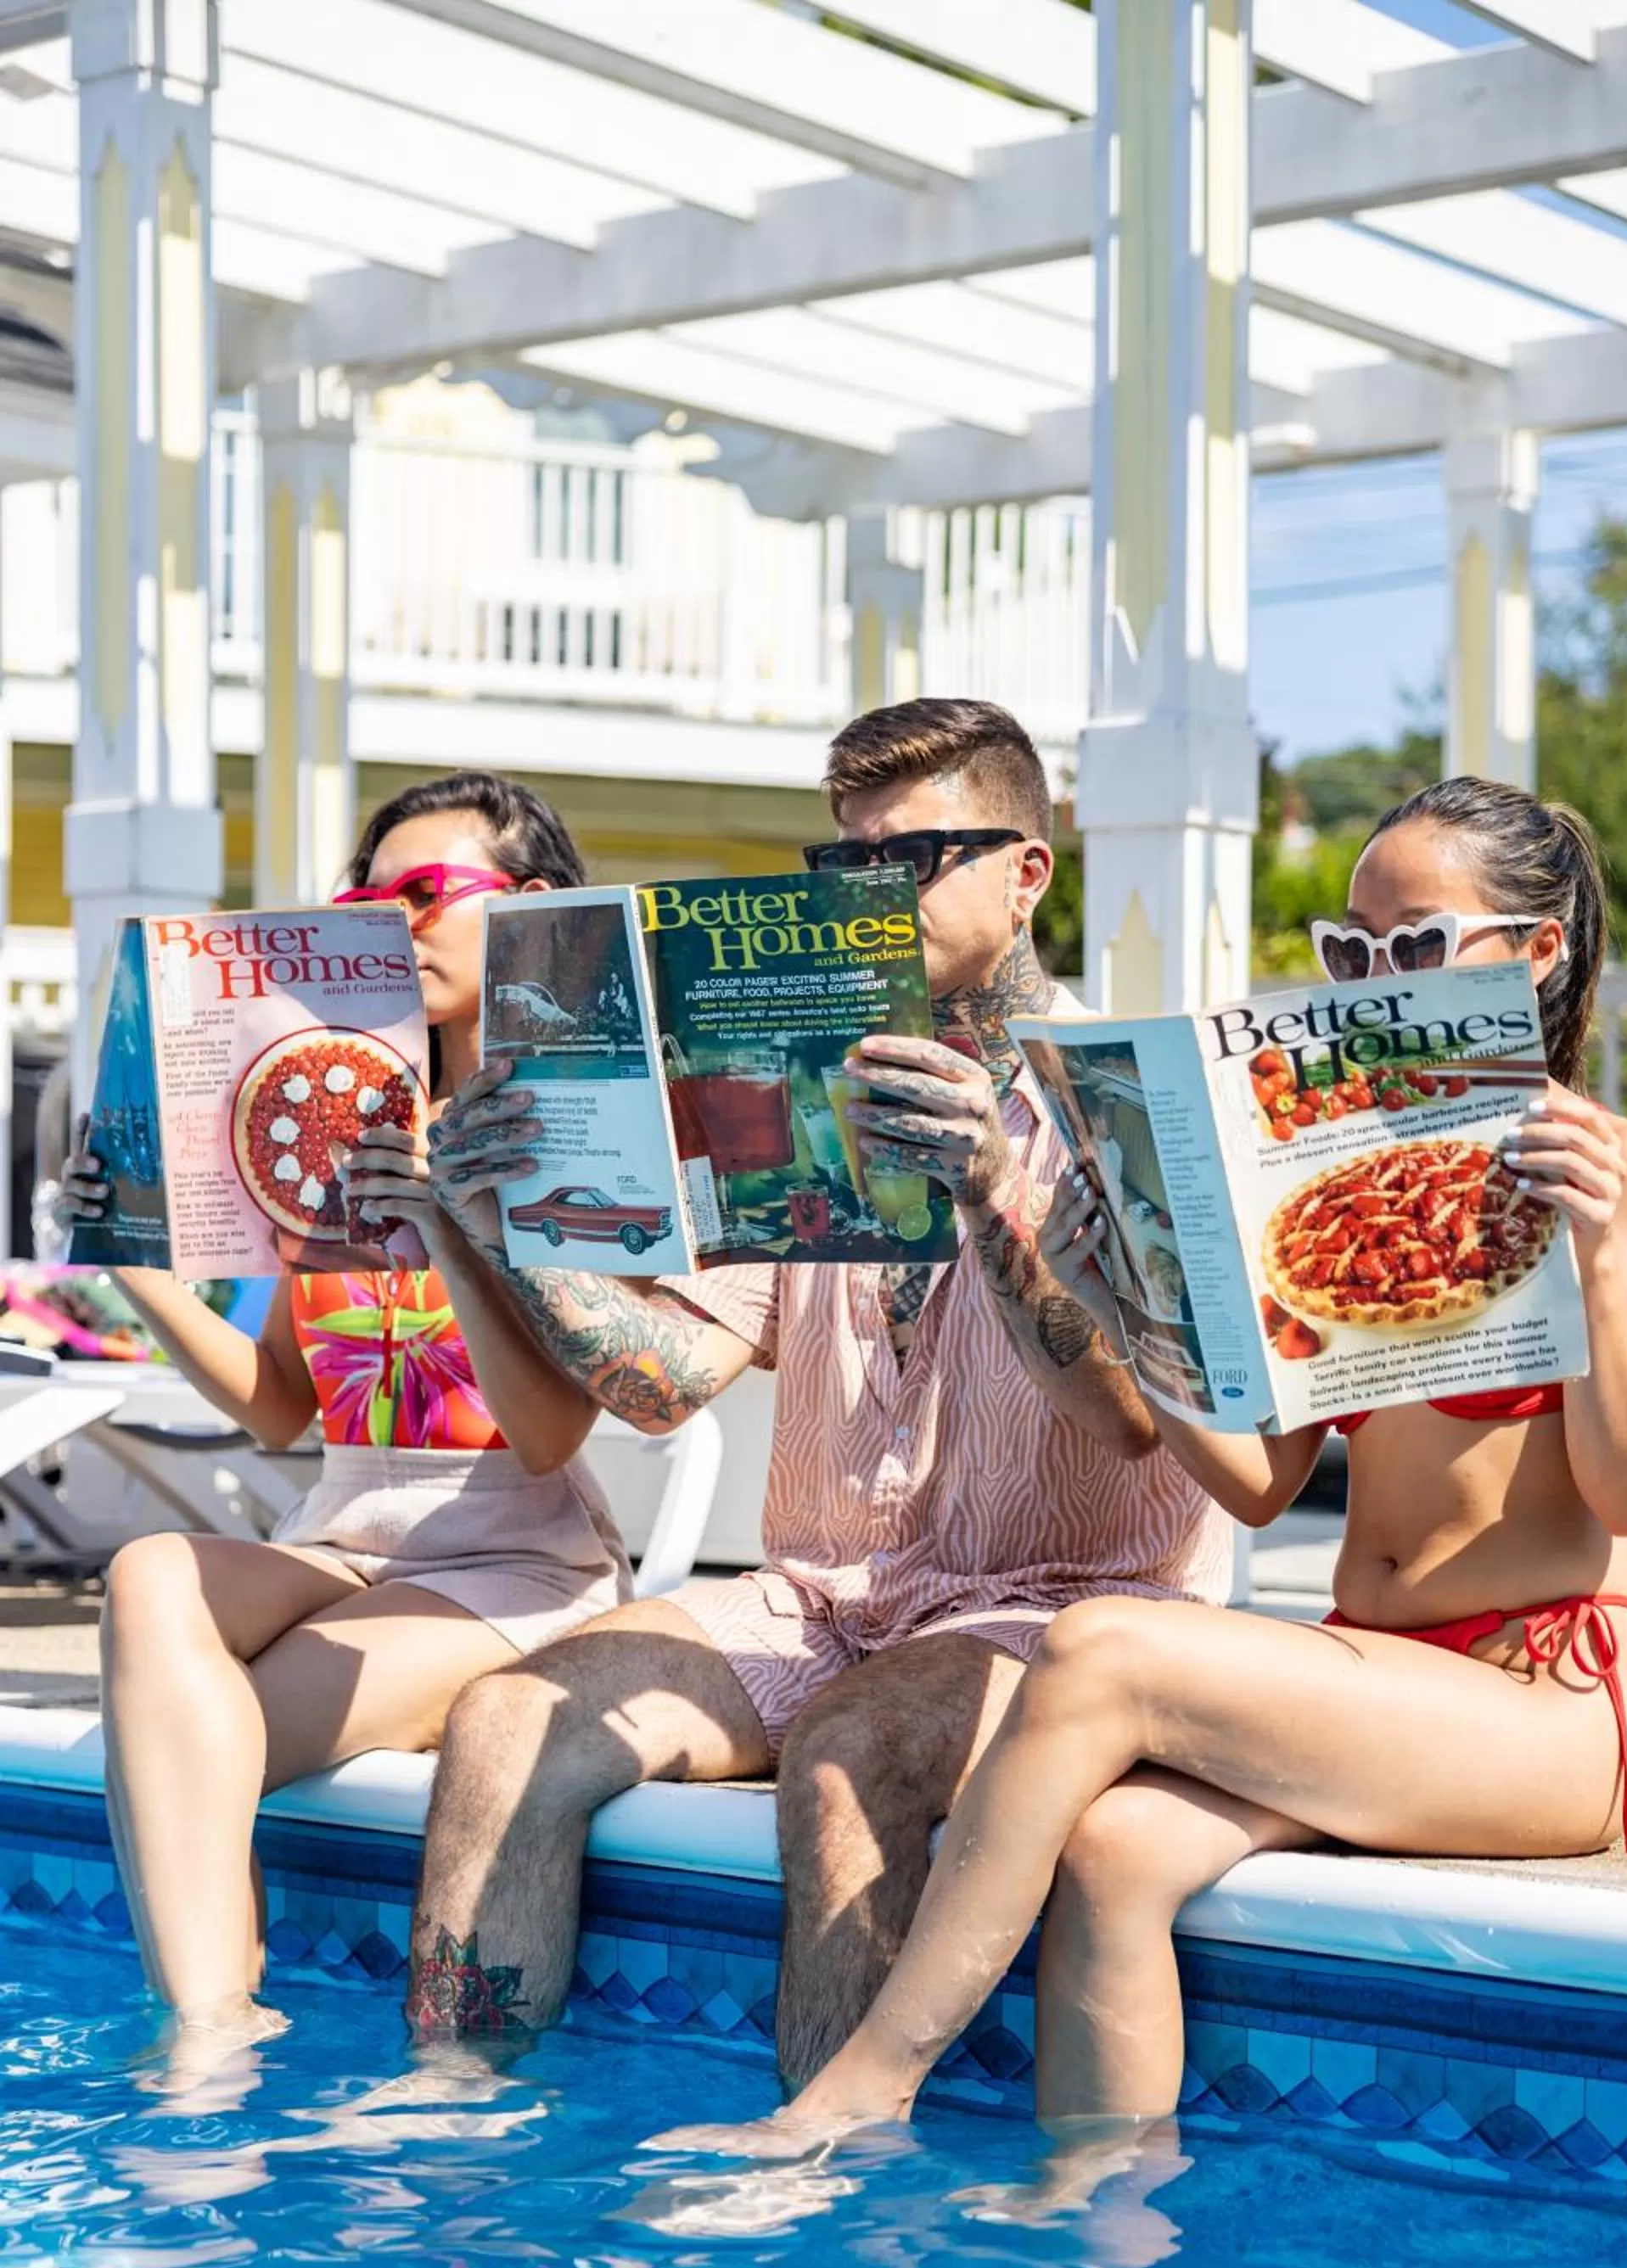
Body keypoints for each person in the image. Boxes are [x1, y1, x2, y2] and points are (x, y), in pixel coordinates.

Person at [653, 775, 1627, 2151]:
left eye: (1418, 946)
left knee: (1105, 1649)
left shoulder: (1626, 1169)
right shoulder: (1347, 1168)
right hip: (1377, 1664)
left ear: (1536, 952)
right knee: (1116, 1851)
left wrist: (1604, 1250)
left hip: (1544, 1699)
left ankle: (853, 2093)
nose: (1377, 980)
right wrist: (1123, 1306)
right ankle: (1097, 2243)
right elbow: (1263, 1484)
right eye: (1352, 951)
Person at [406, 698, 1233, 2064]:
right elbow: (668, 1386)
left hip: (1071, 1621)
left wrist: (988, 1198)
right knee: (504, 1720)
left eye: (909, 861)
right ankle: (450, 2120)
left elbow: (1138, 1422)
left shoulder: (1131, 1102)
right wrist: (495, 1226)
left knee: (849, 1755)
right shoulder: (792, 1087)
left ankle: (825, 2179)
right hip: (819, 1608)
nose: (866, 896)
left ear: (1027, 872)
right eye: (843, 863)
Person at [59, 771, 630, 2051]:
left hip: (512, 1565)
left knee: (196, 1745)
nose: (392, 923)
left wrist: (443, 1218)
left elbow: (548, 1436)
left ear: (535, 911)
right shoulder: (334, 1120)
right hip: (347, 1544)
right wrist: (130, 1260)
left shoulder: (572, 1144)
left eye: (426, 894)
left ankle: (203, 2037)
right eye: (367, 899)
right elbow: (276, 1410)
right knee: (151, 1576)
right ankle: (216, 2029)